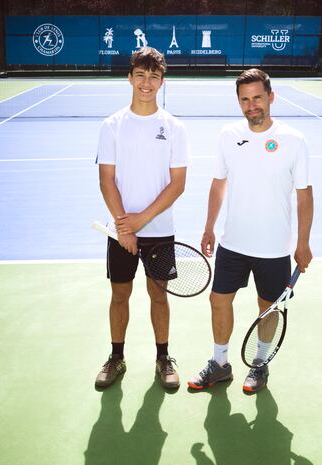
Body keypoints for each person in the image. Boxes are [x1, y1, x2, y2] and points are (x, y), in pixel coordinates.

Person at [188, 68, 313, 394]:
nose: (251, 105)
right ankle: (220, 364)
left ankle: (259, 364)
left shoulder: (294, 140)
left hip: (274, 248)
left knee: (267, 309)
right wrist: (208, 227)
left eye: (257, 97)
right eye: (245, 99)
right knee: (218, 300)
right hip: (233, 243)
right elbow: (218, 184)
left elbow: (304, 195)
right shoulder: (228, 135)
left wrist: (303, 243)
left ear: (271, 97)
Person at [95, 47, 188, 391]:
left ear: (163, 81)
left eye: (154, 76)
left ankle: (164, 358)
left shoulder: (175, 127)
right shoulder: (112, 126)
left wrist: (139, 222)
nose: (147, 83)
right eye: (141, 75)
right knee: (119, 296)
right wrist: (123, 225)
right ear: (130, 77)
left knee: (159, 296)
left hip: (160, 233)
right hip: (120, 233)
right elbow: (107, 181)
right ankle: (116, 357)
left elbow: (177, 185)